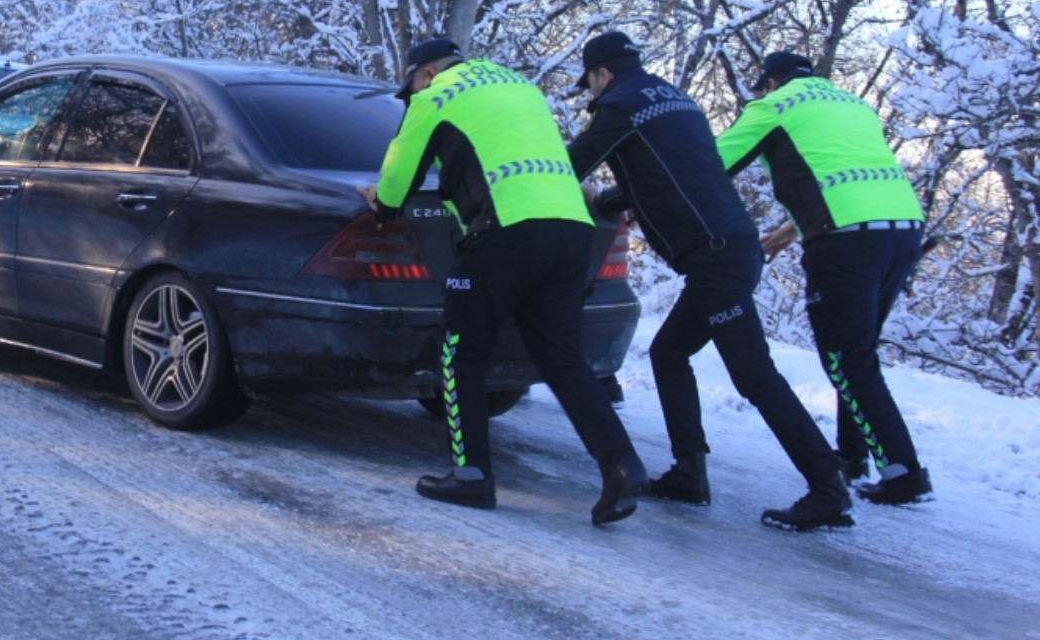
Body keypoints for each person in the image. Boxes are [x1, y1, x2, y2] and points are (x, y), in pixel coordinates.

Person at [567, 31, 852, 532]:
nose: (591, 93)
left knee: (754, 375)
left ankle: (828, 487)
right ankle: (689, 473)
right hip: (729, 247)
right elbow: (669, 172)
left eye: (590, 83)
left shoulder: (619, 106)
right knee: (669, 353)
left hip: (717, 259)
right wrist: (610, 203)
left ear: (603, 75)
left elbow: (570, 166)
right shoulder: (676, 101)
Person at [358, 37, 647, 526]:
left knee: (461, 349)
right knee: (561, 357)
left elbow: (396, 183)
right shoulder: (519, 86)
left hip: (507, 232)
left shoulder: (435, 97)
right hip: (571, 231)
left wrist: (380, 201)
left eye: (411, 87)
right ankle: (621, 463)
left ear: (425, 73)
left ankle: (471, 476)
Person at [717, 51, 932, 505]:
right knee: (857, 352)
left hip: (846, 242)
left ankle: (904, 473)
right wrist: (792, 228)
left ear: (770, 81)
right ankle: (852, 457)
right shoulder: (852, 104)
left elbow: (712, 164)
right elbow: (846, 178)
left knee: (845, 358)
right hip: (903, 231)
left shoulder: (773, 106)